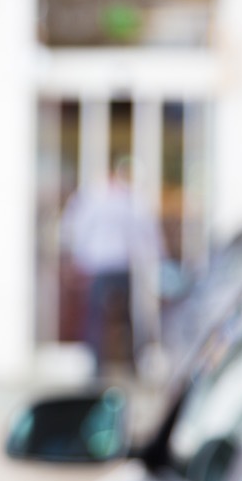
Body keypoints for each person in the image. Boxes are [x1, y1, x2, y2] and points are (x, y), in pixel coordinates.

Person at [61, 156, 163, 377]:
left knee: (109, 316)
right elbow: (144, 231)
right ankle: (121, 363)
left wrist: (79, 259)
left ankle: (117, 362)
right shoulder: (111, 199)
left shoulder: (101, 199)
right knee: (111, 316)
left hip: (110, 265)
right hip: (112, 265)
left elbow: (75, 229)